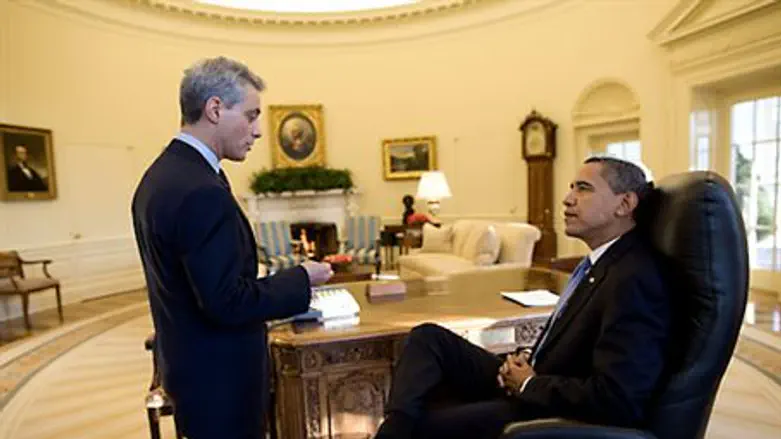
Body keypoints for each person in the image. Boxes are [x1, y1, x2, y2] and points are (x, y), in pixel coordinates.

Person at [375, 156, 673, 439]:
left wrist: (530, 383)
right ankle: (394, 427)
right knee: (428, 339)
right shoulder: (600, 264)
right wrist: (526, 359)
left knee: (424, 423)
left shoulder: (634, 278)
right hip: (535, 374)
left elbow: (619, 398)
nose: (567, 199)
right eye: (572, 188)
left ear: (625, 203)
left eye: (583, 189)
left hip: (547, 408)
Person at [131, 56, 333, 439]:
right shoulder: (199, 190)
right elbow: (227, 301)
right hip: (218, 381)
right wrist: (301, 278)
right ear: (215, 108)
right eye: (252, 115)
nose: (257, 131)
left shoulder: (162, 175)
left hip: (191, 366)